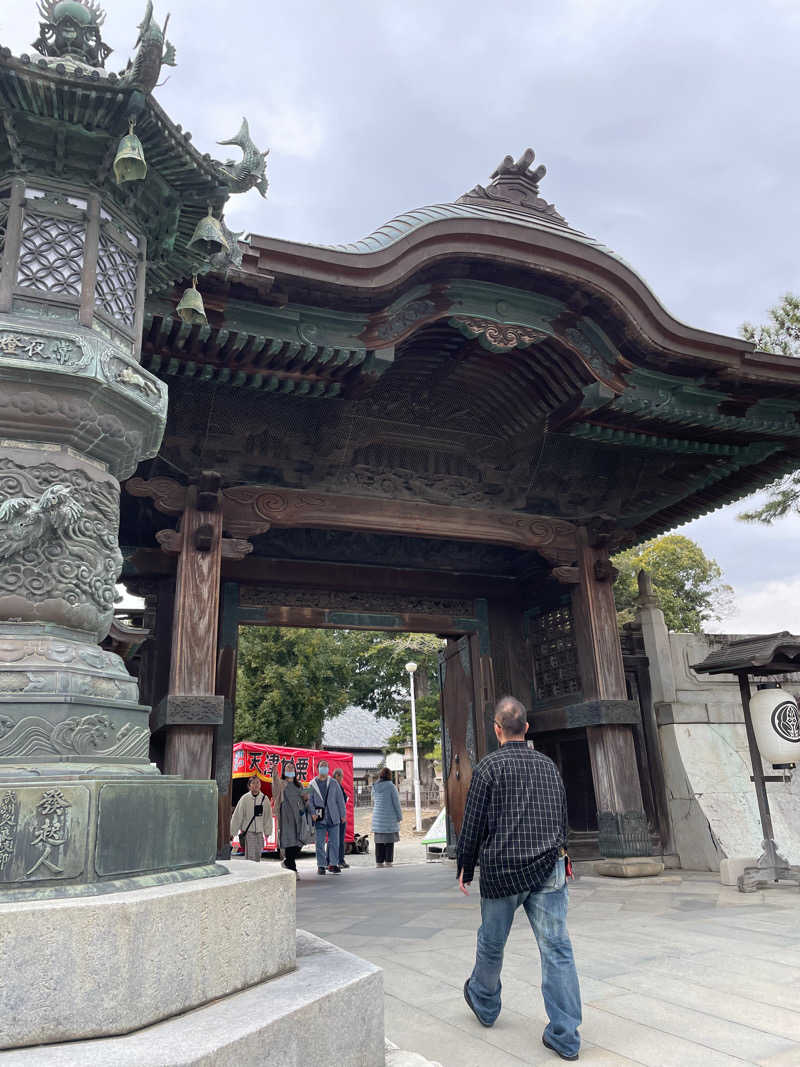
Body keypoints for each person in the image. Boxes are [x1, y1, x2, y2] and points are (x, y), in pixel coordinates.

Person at [458, 696, 582, 1062]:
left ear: (497, 729)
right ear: (526, 728)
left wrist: (465, 864)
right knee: (557, 949)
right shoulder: (548, 765)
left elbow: (474, 824)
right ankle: (565, 1035)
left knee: (492, 943)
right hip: (548, 867)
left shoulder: (487, 768)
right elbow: (562, 817)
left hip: (502, 870)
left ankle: (484, 1001)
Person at [274, 760, 310, 880]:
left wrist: (308, 795)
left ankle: (287, 862)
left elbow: (306, 797)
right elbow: (275, 788)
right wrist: (274, 773)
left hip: (299, 818)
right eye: (287, 768)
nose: (290, 769)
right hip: (286, 817)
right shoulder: (281, 783)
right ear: (284, 771)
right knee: (289, 842)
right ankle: (293, 868)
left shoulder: (299, 785)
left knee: (299, 842)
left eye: (291, 767)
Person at [309, 759, 346, 875]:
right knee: (319, 843)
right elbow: (309, 801)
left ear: (328, 769)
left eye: (325, 766)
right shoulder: (311, 784)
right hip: (320, 818)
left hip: (333, 817)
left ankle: (333, 864)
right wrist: (313, 813)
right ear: (317, 768)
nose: (323, 768)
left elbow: (340, 800)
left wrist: (343, 814)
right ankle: (321, 865)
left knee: (335, 842)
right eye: (321, 766)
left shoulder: (334, 782)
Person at [230, 774, 273, 863]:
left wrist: (267, 831)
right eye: (253, 783)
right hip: (248, 832)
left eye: (258, 783)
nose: (256, 785)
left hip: (259, 832)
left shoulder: (265, 799)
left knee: (257, 856)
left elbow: (267, 817)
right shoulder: (244, 799)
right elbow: (238, 815)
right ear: (249, 786)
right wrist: (232, 831)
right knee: (250, 857)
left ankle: (256, 873)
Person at [371, 766, 402, 868]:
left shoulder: (375, 786)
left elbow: (373, 800)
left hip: (377, 817)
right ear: (389, 775)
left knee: (379, 841)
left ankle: (379, 862)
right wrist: (399, 816)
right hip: (389, 818)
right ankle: (388, 861)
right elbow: (396, 803)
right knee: (389, 841)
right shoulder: (391, 786)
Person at [329, 767, 350, 869]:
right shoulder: (335, 785)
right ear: (337, 776)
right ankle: (340, 860)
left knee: (332, 840)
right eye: (342, 777)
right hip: (338, 816)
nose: (342, 779)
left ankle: (329, 860)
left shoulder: (330, 784)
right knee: (339, 839)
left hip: (333, 816)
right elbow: (341, 801)